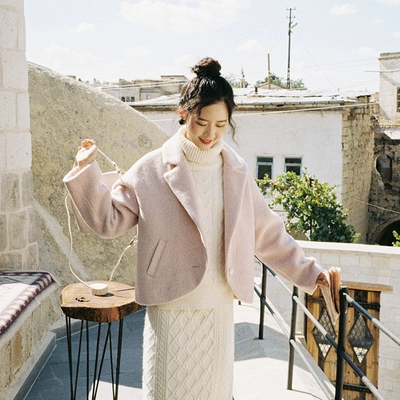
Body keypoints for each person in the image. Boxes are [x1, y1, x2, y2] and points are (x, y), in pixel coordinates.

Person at [64, 57, 330, 400]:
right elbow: (109, 221)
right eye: (202, 122)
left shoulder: (236, 170)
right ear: (183, 113)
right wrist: (86, 171)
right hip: (170, 304)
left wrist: (310, 273)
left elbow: (266, 233)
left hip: (218, 308)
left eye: (220, 125)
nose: (210, 134)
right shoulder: (152, 167)